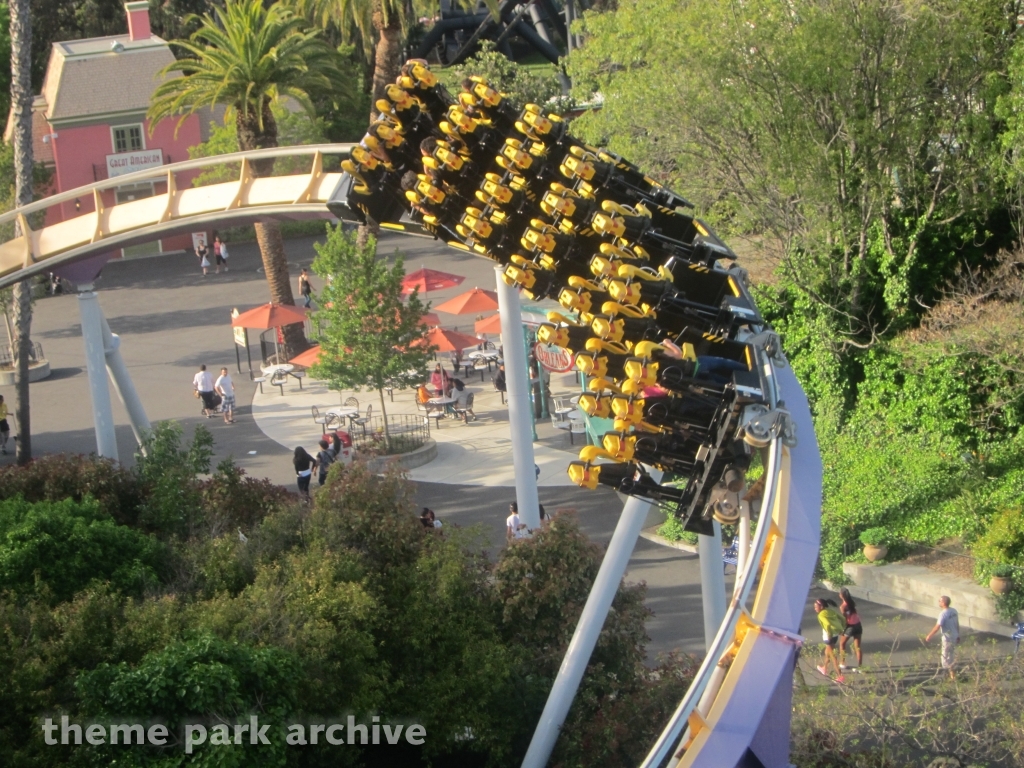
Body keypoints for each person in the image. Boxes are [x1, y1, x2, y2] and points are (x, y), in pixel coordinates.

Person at [924, 595, 960, 679]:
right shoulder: (954, 611)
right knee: (951, 655)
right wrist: (958, 635)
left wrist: (929, 635)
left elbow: (938, 626)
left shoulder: (943, 614)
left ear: (943, 603)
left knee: (945, 656)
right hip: (954, 636)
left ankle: (948, 673)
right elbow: (956, 624)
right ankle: (952, 674)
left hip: (947, 638)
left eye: (940, 601)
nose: (939, 602)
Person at [814, 598, 846, 682]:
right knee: (827, 652)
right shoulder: (830, 611)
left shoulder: (820, 615)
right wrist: (842, 628)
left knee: (833, 657)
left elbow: (827, 624)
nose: (815, 608)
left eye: (816, 607)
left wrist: (829, 634)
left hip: (828, 637)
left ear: (821, 606)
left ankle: (840, 676)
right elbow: (842, 618)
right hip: (835, 635)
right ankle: (824, 668)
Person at [838, 587, 863, 670]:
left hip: (850, 627)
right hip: (858, 625)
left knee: (842, 644)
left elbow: (845, 619)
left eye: (840, 593)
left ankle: (842, 662)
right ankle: (860, 667)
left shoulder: (842, 607)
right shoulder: (852, 603)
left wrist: (842, 630)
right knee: (857, 647)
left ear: (842, 595)